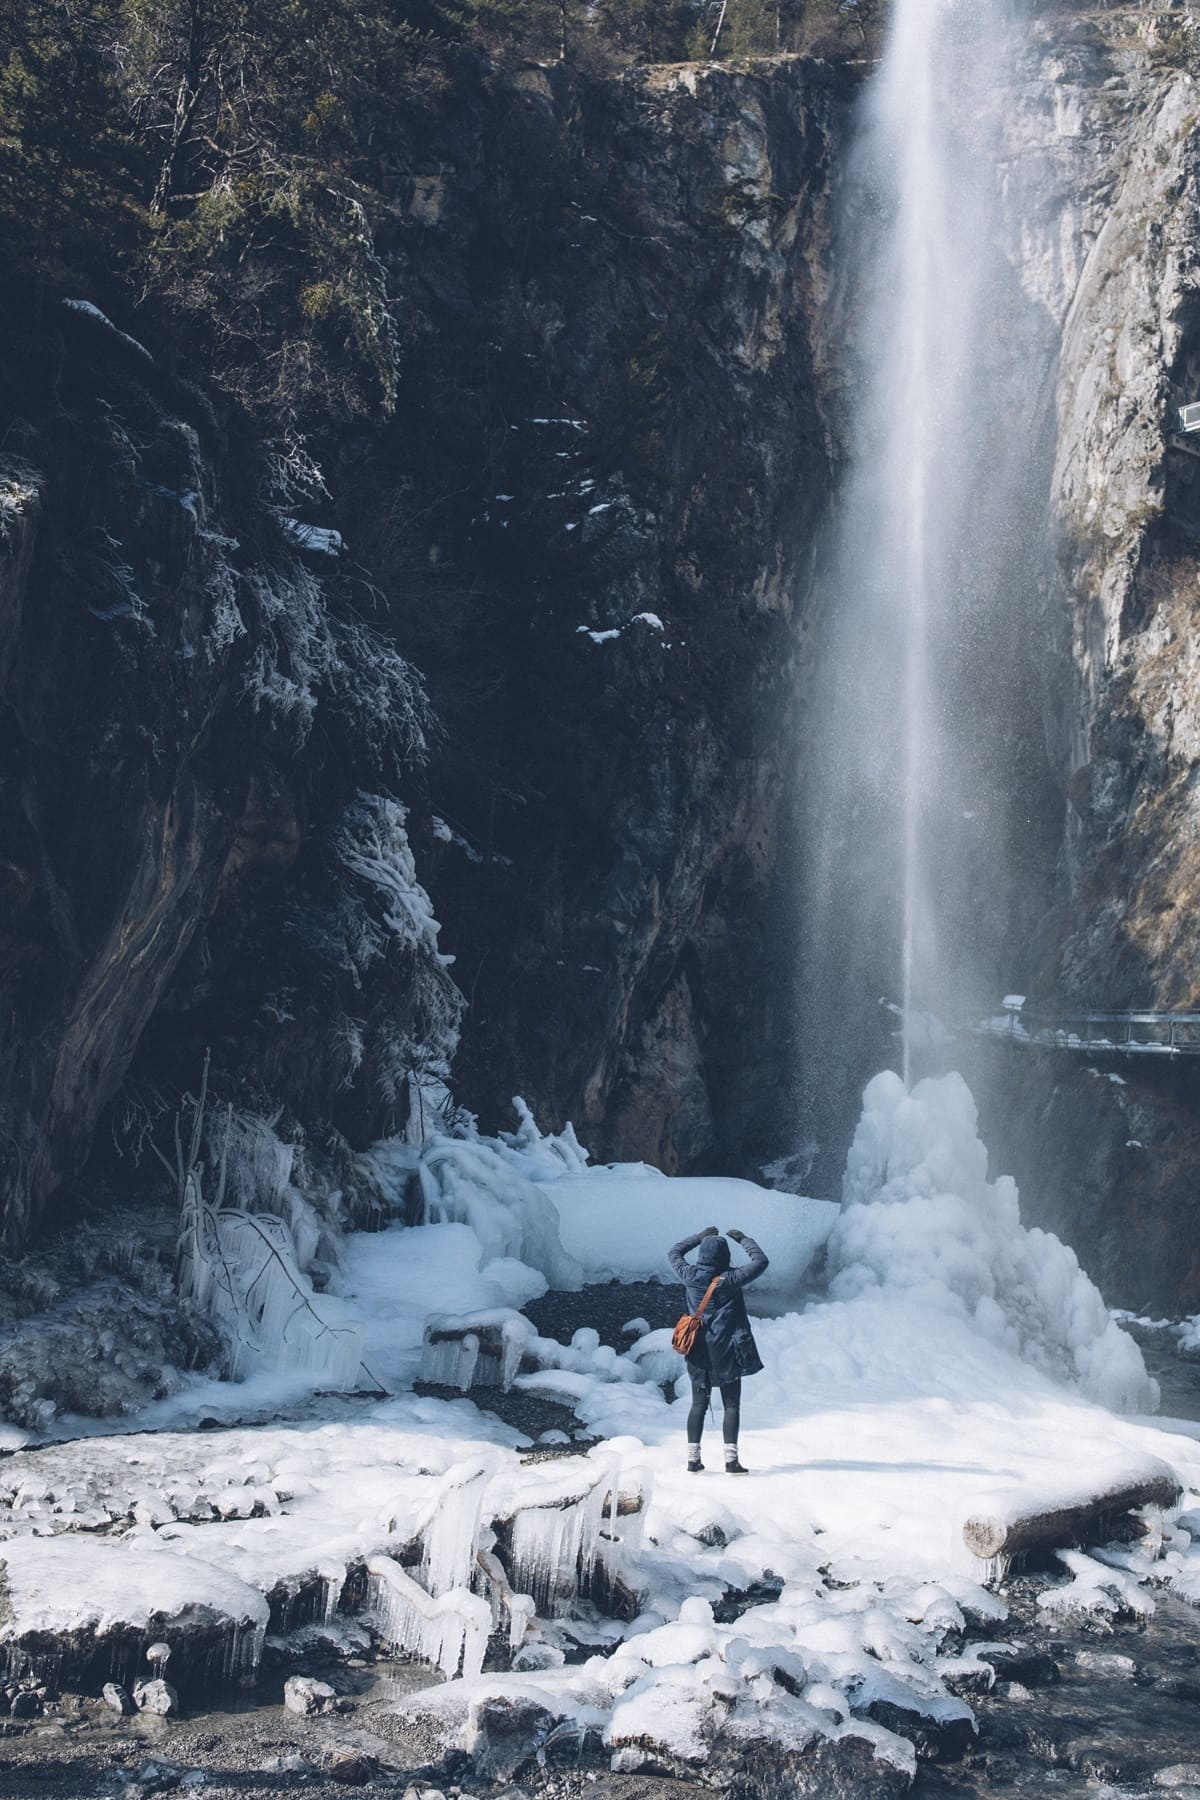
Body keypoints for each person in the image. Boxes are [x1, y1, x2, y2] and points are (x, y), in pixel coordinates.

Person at [668, 1224, 768, 1474]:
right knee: (731, 1404)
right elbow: (761, 1261)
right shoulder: (732, 1278)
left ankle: (693, 1460)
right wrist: (744, 1239)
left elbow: (674, 1252)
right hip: (728, 1350)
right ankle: (731, 1461)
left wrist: (699, 1237)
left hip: (698, 1349)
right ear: (725, 1257)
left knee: (698, 1404)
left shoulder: (689, 1275)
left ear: (701, 1255)